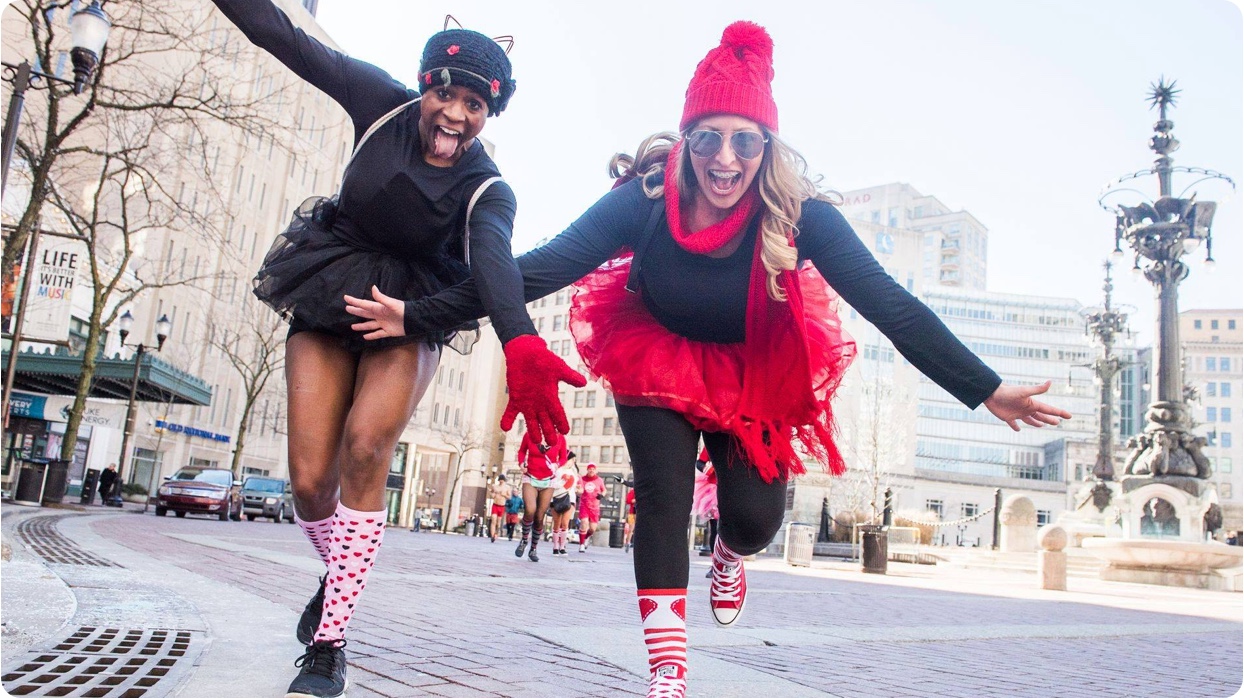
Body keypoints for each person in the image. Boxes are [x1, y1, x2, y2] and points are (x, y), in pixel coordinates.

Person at [346, 21, 1070, 698]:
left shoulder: (800, 215)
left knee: (754, 520)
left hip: (757, 366)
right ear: (687, 138)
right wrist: (419, 313)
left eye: (746, 143)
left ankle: (730, 551)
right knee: (661, 498)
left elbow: (889, 304)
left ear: (767, 148)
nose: (726, 160)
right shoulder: (647, 198)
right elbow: (533, 270)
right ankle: (668, 672)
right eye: (710, 139)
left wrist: (987, 389)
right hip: (656, 352)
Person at [208, 3, 583, 697]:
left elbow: (495, 265)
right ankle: (339, 574)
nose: (455, 114)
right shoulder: (380, 104)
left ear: (489, 112)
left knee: (364, 448)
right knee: (310, 481)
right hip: (329, 292)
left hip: (409, 318)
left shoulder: (488, 189)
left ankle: (330, 643)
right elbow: (279, 34)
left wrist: (521, 340)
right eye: (445, 93)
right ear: (423, 86)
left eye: (474, 103)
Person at [514, 429, 565, 562]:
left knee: (539, 516)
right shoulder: (530, 434)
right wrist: (521, 464)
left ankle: (533, 548)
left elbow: (563, 457)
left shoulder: (560, 438)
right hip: (530, 477)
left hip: (548, 481)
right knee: (530, 510)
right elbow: (522, 451)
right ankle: (524, 540)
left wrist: (557, 465)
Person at [550, 451, 581, 555]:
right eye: (572, 460)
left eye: (574, 461)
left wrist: (577, 488)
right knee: (556, 523)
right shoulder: (557, 471)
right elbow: (552, 484)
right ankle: (555, 546)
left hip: (570, 499)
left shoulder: (574, 472)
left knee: (565, 522)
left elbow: (575, 486)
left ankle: (562, 546)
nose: (573, 462)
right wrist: (563, 481)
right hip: (557, 498)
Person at [577, 462, 607, 553]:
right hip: (584, 504)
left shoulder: (599, 480)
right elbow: (579, 489)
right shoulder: (582, 479)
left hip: (595, 507)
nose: (591, 470)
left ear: (595, 470)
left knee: (592, 529)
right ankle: (581, 545)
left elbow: (604, 490)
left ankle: (586, 538)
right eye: (590, 469)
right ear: (587, 470)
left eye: (593, 469)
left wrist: (601, 495)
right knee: (584, 523)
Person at [489, 474, 512, 542]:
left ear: (504, 481)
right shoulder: (495, 486)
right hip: (495, 505)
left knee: (498, 522)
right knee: (493, 519)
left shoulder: (507, 488)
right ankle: (492, 535)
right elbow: (492, 494)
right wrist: (494, 494)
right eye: (500, 480)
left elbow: (509, 497)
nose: (501, 481)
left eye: (502, 480)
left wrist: (504, 494)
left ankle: (496, 533)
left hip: (501, 506)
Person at [623, 486, 636, 553]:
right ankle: (628, 543)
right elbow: (628, 500)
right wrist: (634, 500)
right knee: (631, 529)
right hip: (632, 512)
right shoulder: (632, 491)